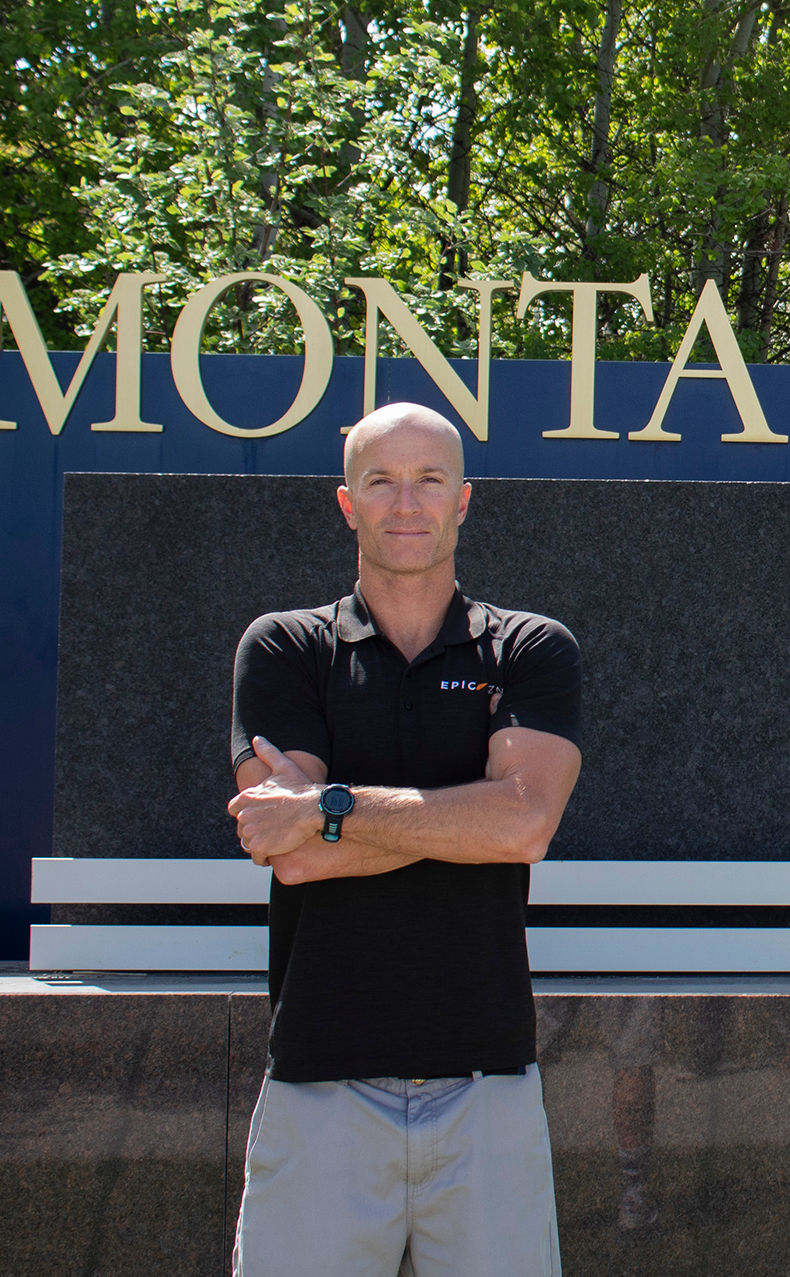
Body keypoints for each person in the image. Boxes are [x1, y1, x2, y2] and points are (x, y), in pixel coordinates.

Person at [226, 401, 582, 1277]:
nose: (406, 502)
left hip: (485, 1084)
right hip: (320, 1081)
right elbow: (292, 850)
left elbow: (525, 826)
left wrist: (332, 804)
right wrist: (466, 815)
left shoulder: (528, 650)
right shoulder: (285, 649)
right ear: (347, 503)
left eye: (429, 479)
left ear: (465, 499)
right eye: (380, 480)